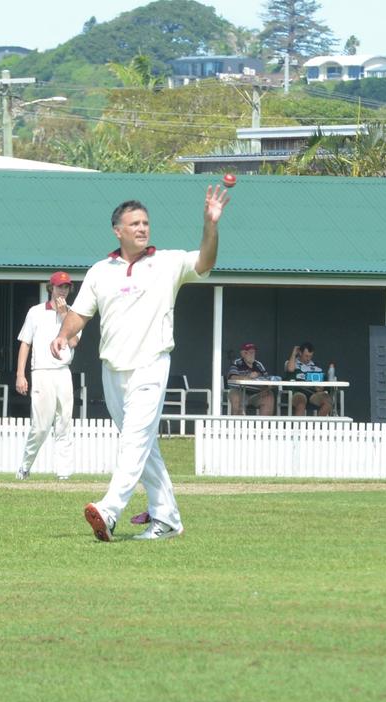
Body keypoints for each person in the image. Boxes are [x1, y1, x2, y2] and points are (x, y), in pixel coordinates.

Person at [52, 185, 230, 542]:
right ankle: (167, 519)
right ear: (117, 230)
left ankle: (109, 510)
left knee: (133, 442)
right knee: (145, 446)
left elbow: (205, 262)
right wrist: (62, 335)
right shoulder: (101, 271)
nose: (142, 228)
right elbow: (81, 313)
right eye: (134, 223)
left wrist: (210, 225)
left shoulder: (167, 262)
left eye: (145, 223)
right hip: (113, 369)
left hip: (151, 365)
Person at [14, 271, 80, 481]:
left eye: (66, 287)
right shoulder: (35, 312)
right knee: (40, 426)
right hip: (41, 372)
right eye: (59, 286)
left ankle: (64, 474)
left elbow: (73, 342)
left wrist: (63, 316)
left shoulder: (74, 314)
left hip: (63, 372)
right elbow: (25, 343)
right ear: (50, 288)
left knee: (64, 423)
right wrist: (20, 374)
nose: (63, 290)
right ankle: (24, 468)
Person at [284, 342, 332, 416]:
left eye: (310, 356)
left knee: (328, 402)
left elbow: (324, 381)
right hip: (298, 391)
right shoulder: (292, 362)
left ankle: (318, 426)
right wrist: (293, 354)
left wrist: (321, 387)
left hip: (314, 392)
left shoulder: (315, 366)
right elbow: (290, 369)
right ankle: (298, 427)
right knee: (301, 403)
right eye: (306, 356)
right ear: (300, 353)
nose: (308, 359)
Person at [226, 342, 276, 415]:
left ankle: (263, 425)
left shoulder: (258, 364)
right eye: (249, 352)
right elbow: (232, 377)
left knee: (269, 396)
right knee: (236, 397)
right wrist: (248, 377)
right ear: (243, 354)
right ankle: (237, 425)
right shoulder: (237, 363)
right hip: (240, 391)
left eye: (253, 352)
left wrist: (266, 387)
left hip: (256, 394)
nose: (252, 354)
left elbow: (267, 378)